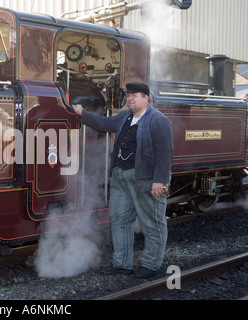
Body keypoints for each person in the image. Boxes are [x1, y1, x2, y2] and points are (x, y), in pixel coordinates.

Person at [72, 82, 173, 278]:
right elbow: (104, 124)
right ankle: (122, 263)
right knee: (119, 220)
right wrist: (82, 113)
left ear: (146, 98)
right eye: (129, 96)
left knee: (152, 223)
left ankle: (151, 265)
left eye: (135, 95)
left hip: (145, 178)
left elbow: (165, 154)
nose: (130, 99)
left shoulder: (158, 120)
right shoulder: (125, 116)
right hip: (120, 177)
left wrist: (159, 180)